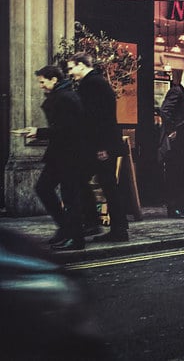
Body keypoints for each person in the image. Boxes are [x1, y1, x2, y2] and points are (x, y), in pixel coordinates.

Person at [66, 52, 130, 243]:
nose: (70, 72)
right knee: (106, 185)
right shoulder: (96, 82)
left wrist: (102, 147)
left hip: (100, 146)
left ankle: (103, 225)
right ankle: (116, 227)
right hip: (100, 144)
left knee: (88, 182)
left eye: (71, 68)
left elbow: (99, 118)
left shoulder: (92, 84)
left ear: (81, 65)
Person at [30, 65, 87, 250]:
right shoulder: (61, 96)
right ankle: (66, 229)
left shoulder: (65, 98)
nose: (41, 86)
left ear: (54, 79)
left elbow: (67, 130)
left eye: (42, 81)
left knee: (70, 195)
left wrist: (39, 132)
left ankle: (76, 238)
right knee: (44, 188)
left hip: (69, 154)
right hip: (60, 154)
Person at [158, 68, 184, 219]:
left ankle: (181, 206)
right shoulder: (176, 92)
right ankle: (173, 208)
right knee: (174, 176)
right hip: (176, 144)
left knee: (182, 175)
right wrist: (171, 130)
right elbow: (164, 110)